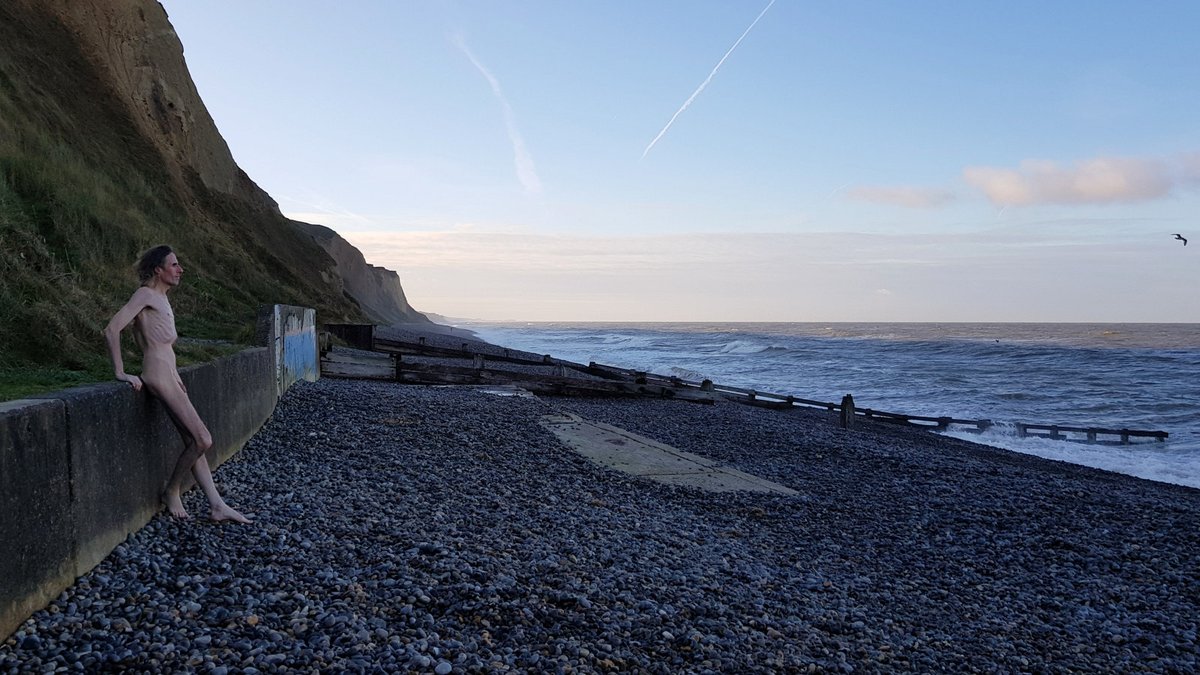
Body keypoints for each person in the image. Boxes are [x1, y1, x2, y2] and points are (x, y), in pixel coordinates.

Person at [104, 245, 251, 523]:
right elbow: (112, 329)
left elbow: (162, 345)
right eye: (174, 265)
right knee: (203, 439)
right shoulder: (145, 294)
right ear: (158, 270)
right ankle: (172, 490)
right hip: (157, 375)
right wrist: (121, 372)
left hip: (168, 375)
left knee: (191, 439)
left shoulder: (161, 298)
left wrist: (176, 374)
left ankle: (217, 504)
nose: (180, 269)